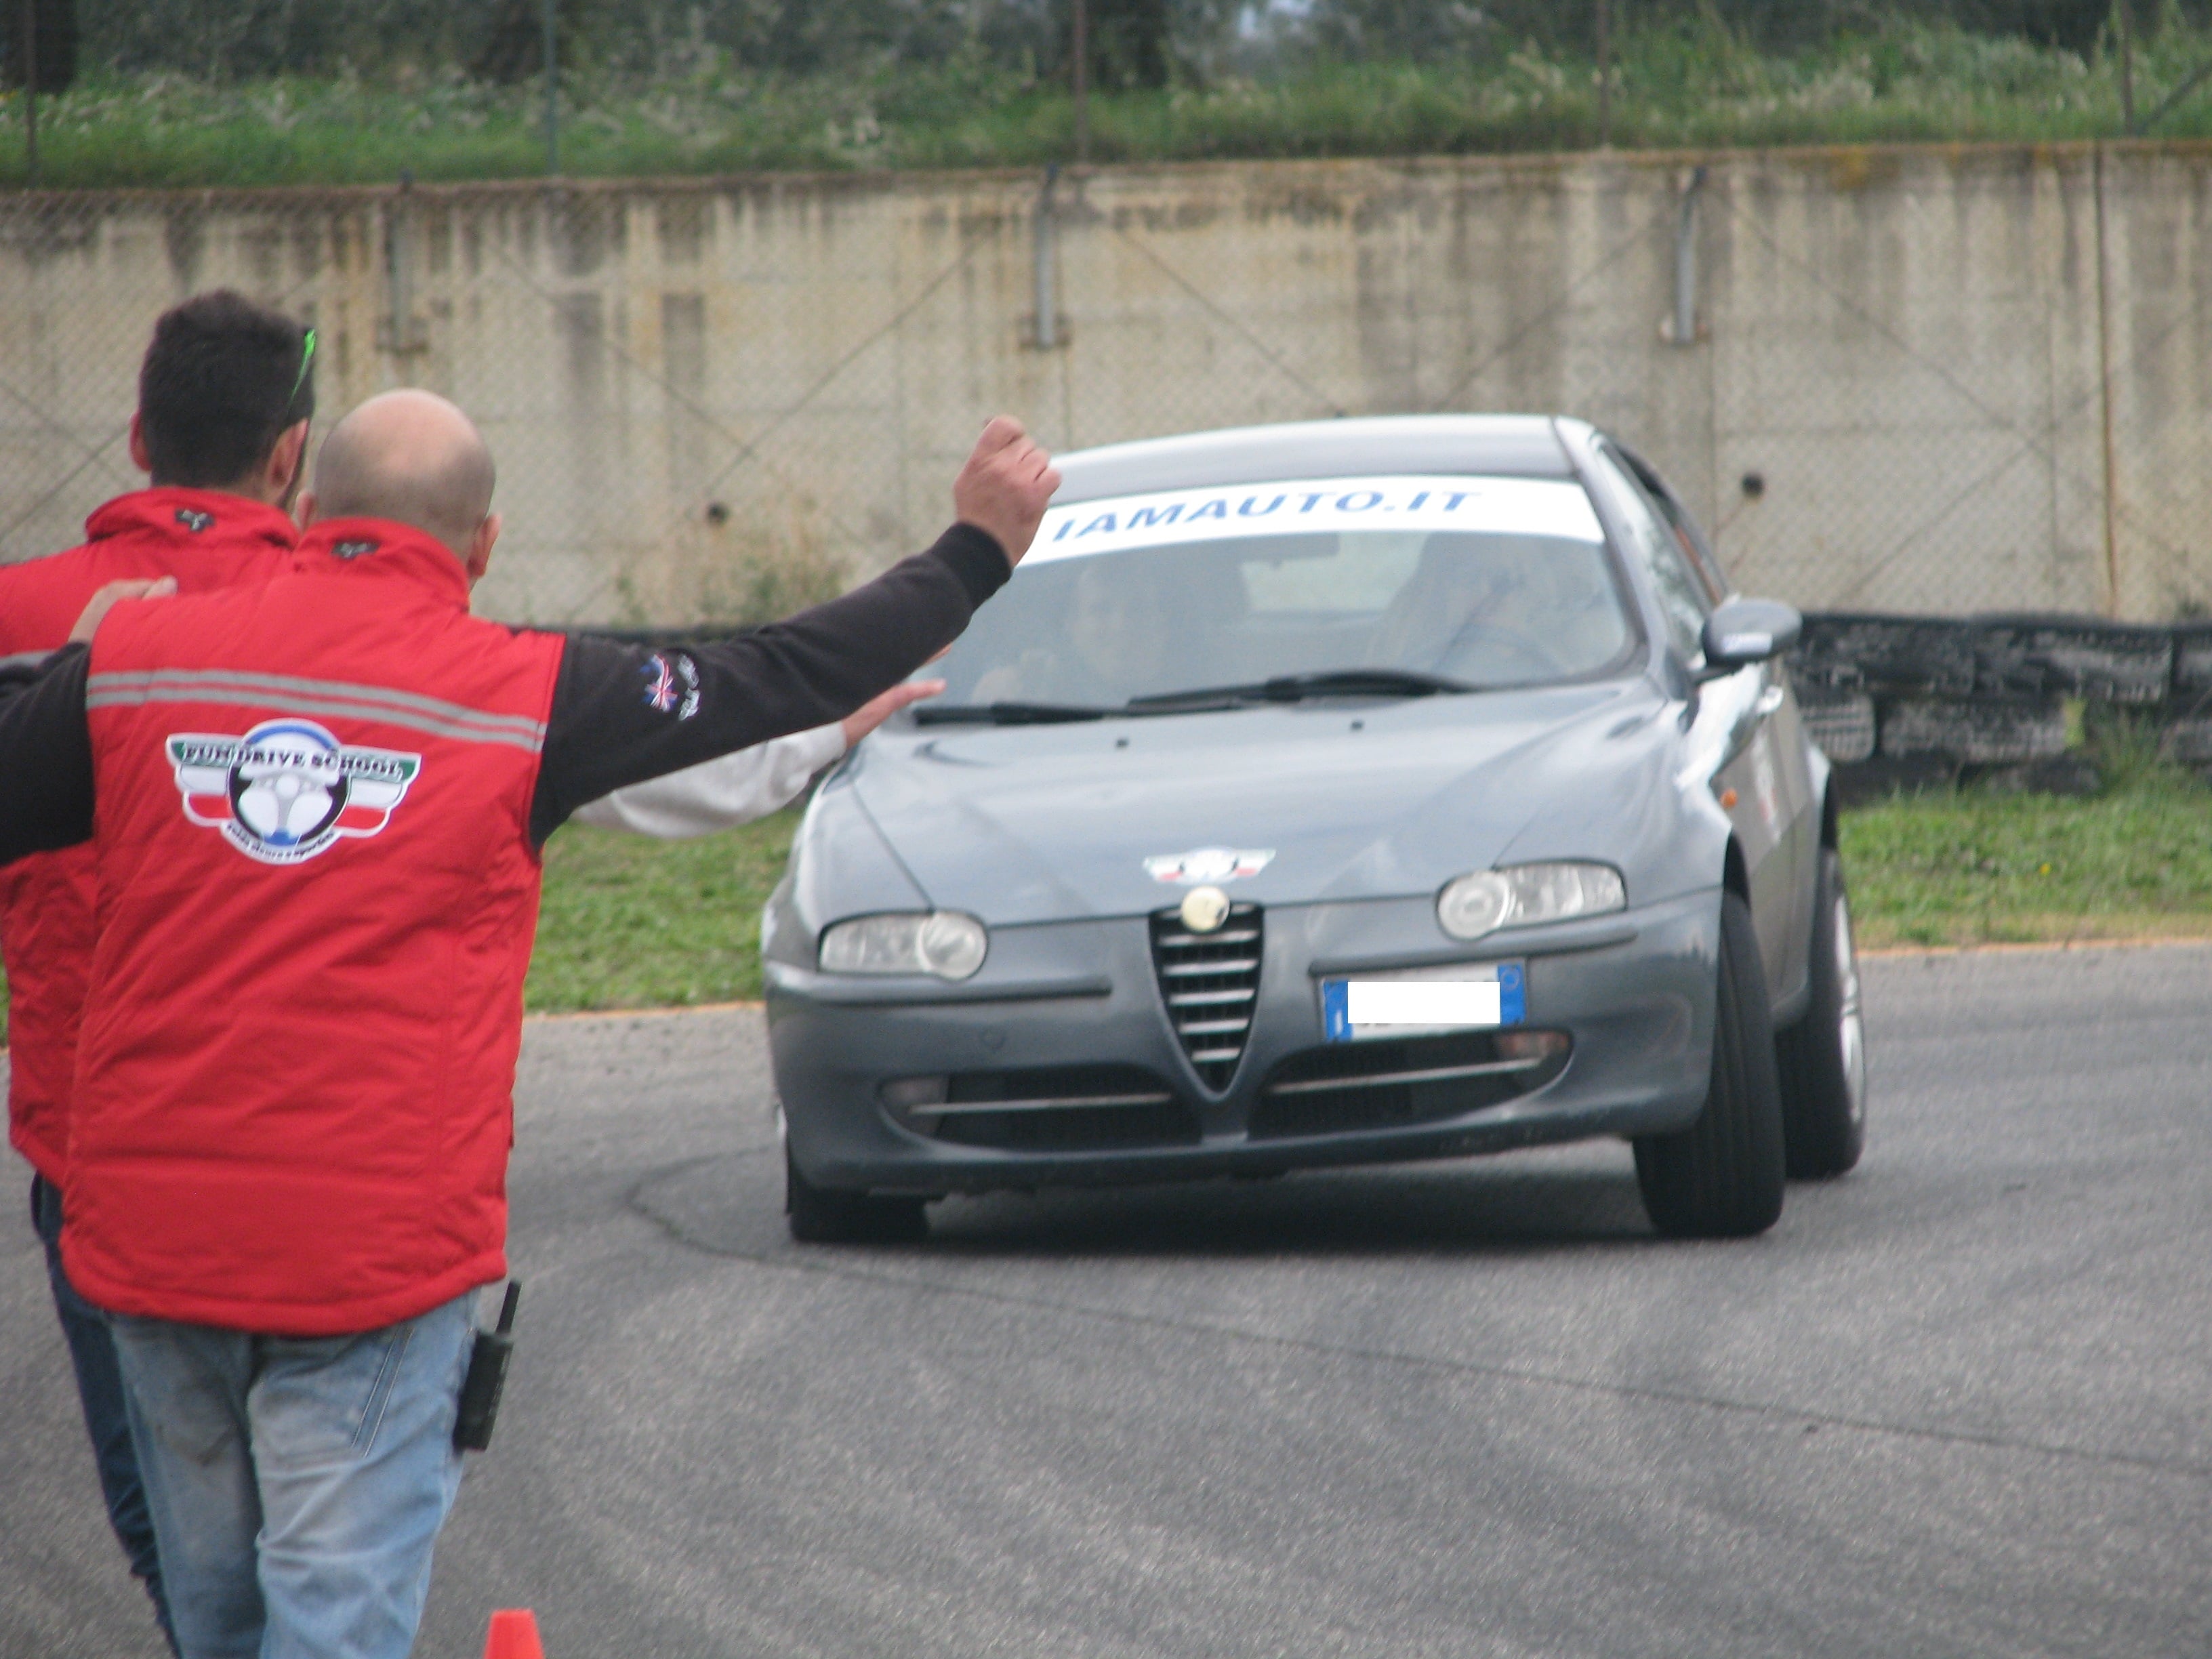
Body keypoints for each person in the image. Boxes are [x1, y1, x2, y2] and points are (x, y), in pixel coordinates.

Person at [0, 388, 1054, 1659]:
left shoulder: (135, 665)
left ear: (310, 510)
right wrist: (973, 552)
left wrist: (69, 668)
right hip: (371, 1263)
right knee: (332, 1624)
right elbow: (769, 673)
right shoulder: (524, 696)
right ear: (486, 544)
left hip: (153, 1250)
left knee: (215, 1623)